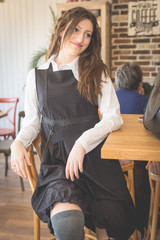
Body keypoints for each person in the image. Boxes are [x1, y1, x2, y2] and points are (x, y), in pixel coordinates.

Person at [11, 7, 135, 240]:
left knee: (111, 218)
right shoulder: (36, 76)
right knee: (68, 226)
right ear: (61, 29)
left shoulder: (97, 71)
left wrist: (82, 143)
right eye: (76, 29)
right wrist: (18, 142)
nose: (81, 39)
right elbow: (32, 121)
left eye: (88, 34)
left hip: (95, 160)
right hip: (59, 164)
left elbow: (113, 117)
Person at [115, 63, 150, 238]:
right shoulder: (146, 103)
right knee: (145, 169)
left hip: (110, 161)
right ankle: (144, 225)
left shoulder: (111, 99)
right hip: (136, 164)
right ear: (139, 84)